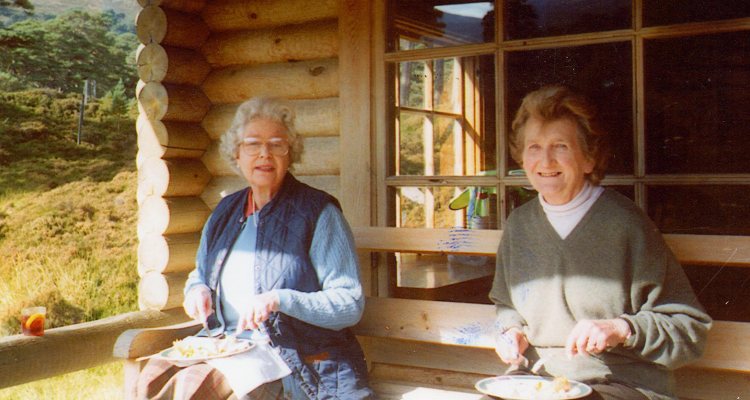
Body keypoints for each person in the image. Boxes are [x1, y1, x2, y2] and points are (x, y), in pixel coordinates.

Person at [137, 97, 373, 400]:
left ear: (290, 155)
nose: (265, 154)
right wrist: (198, 291)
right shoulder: (225, 212)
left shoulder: (319, 213)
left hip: (290, 354)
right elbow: (200, 274)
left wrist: (278, 300)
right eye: (252, 144)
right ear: (237, 153)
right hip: (223, 342)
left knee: (191, 386)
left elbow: (349, 303)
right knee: (152, 376)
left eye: (277, 145)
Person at [490, 86, 712, 400]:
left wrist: (621, 328)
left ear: (589, 158)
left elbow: (689, 331)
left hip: (621, 384)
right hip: (538, 382)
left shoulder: (626, 225)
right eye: (534, 147)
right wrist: (510, 331)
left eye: (561, 146)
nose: (545, 159)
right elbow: (508, 306)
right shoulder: (519, 226)